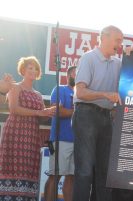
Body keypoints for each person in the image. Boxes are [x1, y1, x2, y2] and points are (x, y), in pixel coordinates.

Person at [72, 25, 123, 201]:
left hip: (107, 118)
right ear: (104, 37)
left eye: (121, 41)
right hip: (85, 115)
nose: (120, 44)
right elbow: (80, 92)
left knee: (105, 173)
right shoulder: (89, 58)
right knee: (85, 170)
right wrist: (105, 95)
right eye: (117, 40)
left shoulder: (119, 63)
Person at [0, 56, 56, 200]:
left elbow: (41, 116)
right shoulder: (15, 87)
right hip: (15, 132)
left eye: (35, 68)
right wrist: (39, 112)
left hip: (31, 136)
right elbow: (14, 109)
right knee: (12, 166)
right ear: (23, 70)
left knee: (29, 168)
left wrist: (49, 112)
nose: (32, 70)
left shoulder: (38, 95)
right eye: (29, 68)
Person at [44, 66, 77, 201]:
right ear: (68, 75)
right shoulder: (60, 89)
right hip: (60, 139)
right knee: (55, 176)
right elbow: (58, 111)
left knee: (71, 178)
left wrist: (69, 111)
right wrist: (76, 112)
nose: (79, 76)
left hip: (79, 142)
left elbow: (65, 111)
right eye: (76, 73)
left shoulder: (82, 94)